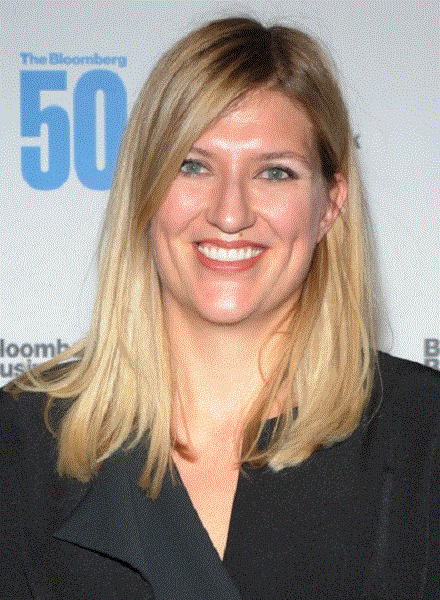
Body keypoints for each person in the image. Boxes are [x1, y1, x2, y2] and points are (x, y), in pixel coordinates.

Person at [1, 16, 439, 600]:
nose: (229, 213)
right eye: (193, 165)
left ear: (330, 205)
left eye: (274, 173)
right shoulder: (22, 442)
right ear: (144, 190)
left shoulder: (423, 435)